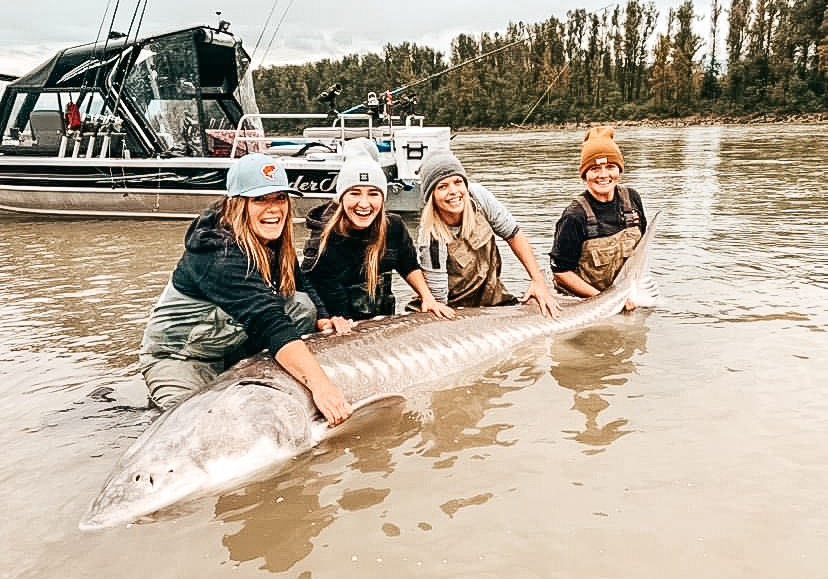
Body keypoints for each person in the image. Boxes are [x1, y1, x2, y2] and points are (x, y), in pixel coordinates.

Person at [139, 153, 352, 425]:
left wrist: (323, 317)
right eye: (260, 199)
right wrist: (322, 386)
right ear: (236, 204)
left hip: (230, 348)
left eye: (280, 198)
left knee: (301, 306)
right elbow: (269, 322)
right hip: (182, 358)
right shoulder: (217, 251)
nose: (274, 208)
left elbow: (299, 280)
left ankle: (256, 370)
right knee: (184, 427)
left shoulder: (269, 235)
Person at [302, 139, 454, 333]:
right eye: (355, 193)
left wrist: (428, 298)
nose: (364, 204)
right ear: (341, 198)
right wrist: (324, 320)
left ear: (383, 198)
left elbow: (408, 265)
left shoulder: (394, 226)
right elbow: (307, 285)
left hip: (382, 320)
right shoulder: (324, 238)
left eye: (373, 194)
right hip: (341, 323)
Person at [411, 148, 559, 317]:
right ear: (431, 196)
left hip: (492, 297)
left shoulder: (479, 197)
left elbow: (513, 234)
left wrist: (538, 280)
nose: (453, 191)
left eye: (458, 182)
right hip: (455, 308)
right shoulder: (431, 236)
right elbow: (439, 301)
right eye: (442, 186)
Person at [549, 126, 647, 311]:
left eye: (610, 167)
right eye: (594, 168)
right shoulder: (574, 217)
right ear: (584, 174)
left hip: (624, 296)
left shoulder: (632, 198)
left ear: (619, 169)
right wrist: (608, 300)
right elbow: (561, 272)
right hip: (582, 304)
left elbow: (641, 251)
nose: (603, 175)